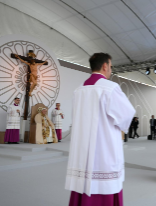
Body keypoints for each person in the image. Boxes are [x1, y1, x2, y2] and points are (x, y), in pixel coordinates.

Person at [65, 53, 135, 206]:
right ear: (105, 66)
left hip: (82, 152)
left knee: (83, 181)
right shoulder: (110, 88)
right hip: (104, 151)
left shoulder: (78, 91)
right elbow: (127, 114)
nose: (110, 70)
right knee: (105, 184)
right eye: (110, 66)